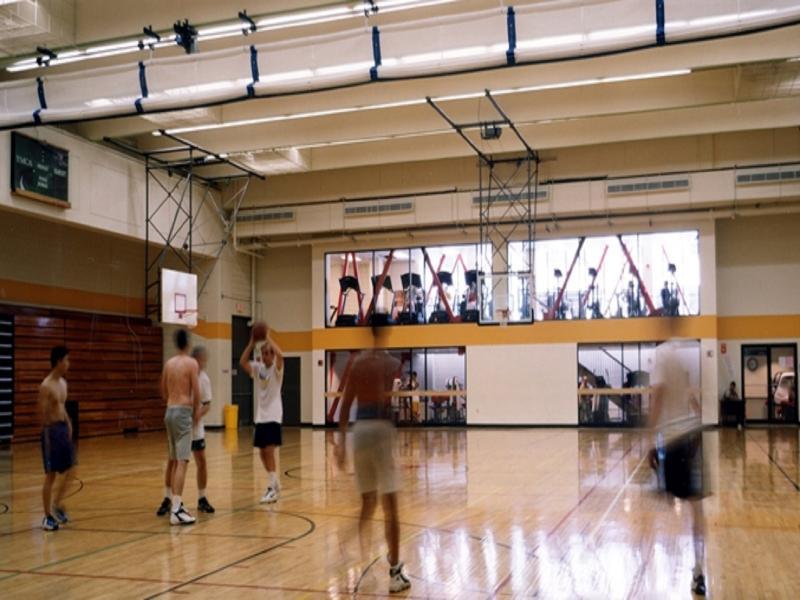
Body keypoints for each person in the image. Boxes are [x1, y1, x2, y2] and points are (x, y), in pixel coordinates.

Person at [336, 326, 411, 594]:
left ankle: (360, 555)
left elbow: (345, 405)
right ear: (386, 332)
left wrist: (340, 444)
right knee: (391, 506)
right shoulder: (391, 363)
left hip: (360, 432)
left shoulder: (357, 364)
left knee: (367, 502)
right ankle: (394, 572)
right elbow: (386, 399)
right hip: (380, 428)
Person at [648, 337, 707, 596]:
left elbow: (658, 394)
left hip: (675, 442)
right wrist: (699, 420)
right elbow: (692, 398)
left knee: (670, 496)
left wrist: (649, 438)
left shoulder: (660, 355)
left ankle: (684, 566)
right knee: (697, 506)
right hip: (691, 436)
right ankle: (699, 569)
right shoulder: (680, 356)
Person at [159, 329, 201, 525]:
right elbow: (197, 391)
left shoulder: (169, 364)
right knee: (183, 461)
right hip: (183, 411)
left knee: (174, 460)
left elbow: (162, 389)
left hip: (169, 411)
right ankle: (176, 509)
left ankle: (177, 502)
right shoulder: (191, 363)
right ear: (188, 343)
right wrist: (195, 414)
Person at [239, 324, 284, 504]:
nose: (266, 356)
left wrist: (268, 338)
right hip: (261, 417)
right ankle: (274, 482)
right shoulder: (258, 369)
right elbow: (242, 362)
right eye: (264, 353)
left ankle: (272, 488)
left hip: (273, 415)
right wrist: (252, 342)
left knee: (269, 451)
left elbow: (281, 355)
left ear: (272, 355)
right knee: (261, 453)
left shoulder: (277, 370)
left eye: (268, 353)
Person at [39, 345, 76, 531]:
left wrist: (68, 424)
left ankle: (57, 504)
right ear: (59, 361)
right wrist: (48, 436)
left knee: (72, 470)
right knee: (51, 475)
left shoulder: (63, 384)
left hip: (63, 430)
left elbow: (62, 407)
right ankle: (47, 517)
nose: (68, 364)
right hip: (50, 432)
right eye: (67, 360)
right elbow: (42, 415)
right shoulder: (46, 386)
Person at [191, 346, 215, 513]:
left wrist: (198, 414)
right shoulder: (185, 374)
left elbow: (207, 405)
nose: (203, 362)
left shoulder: (204, 379)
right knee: (175, 462)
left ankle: (202, 497)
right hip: (182, 425)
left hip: (196, 428)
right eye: (201, 359)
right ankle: (169, 499)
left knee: (202, 462)